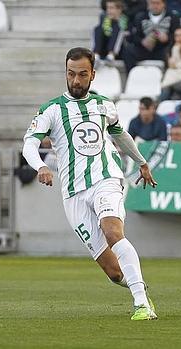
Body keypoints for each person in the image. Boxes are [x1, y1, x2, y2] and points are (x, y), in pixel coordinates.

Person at [22, 47, 158, 321]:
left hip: (106, 179)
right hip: (73, 193)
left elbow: (121, 136)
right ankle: (136, 283)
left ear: (92, 75)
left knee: (112, 231)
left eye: (82, 75)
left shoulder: (104, 105)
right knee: (114, 272)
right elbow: (29, 144)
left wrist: (142, 162)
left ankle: (142, 304)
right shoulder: (51, 110)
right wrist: (41, 165)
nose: (76, 81)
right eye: (71, 74)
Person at [123, 0, 180, 71]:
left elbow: (178, 35)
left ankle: (167, 77)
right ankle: (132, 75)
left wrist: (167, 38)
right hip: (145, 50)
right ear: (148, 4)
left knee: (171, 52)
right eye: (152, 3)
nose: (155, 6)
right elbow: (134, 37)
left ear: (164, 4)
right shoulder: (140, 17)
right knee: (128, 50)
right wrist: (142, 41)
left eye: (158, 3)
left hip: (163, 49)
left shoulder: (173, 17)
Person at [93, 0, 130, 64]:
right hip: (106, 49)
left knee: (117, 28)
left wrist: (117, 22)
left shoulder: (125, 20)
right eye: (107, 8)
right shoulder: (105, 19)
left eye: (111, 8)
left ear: (119, 10)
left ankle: (111, 55)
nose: (108, 10)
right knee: (98, 28)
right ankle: (96, 55)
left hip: (120, 51)